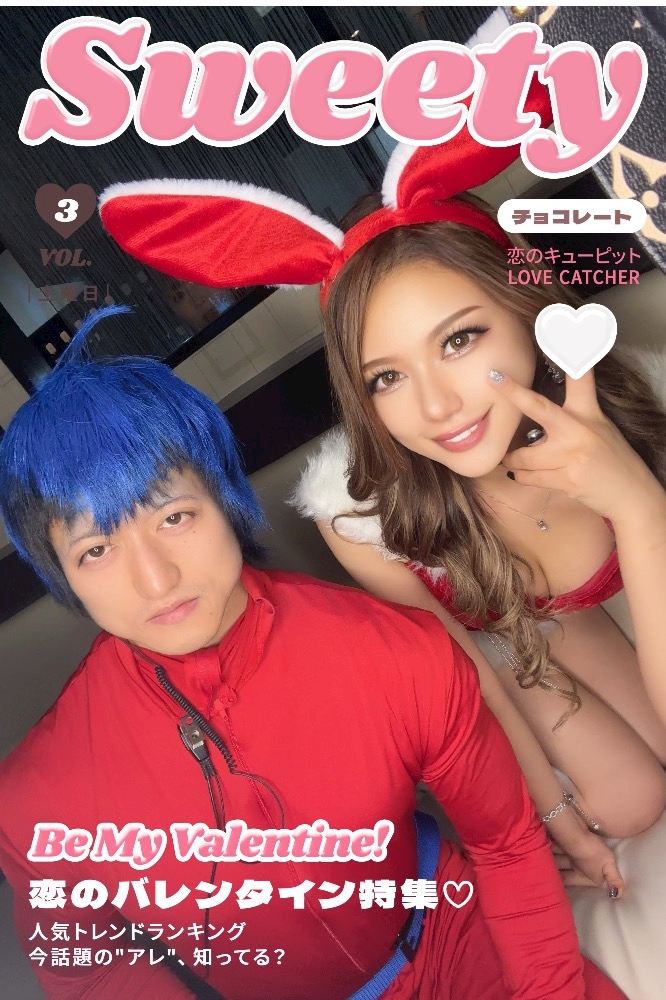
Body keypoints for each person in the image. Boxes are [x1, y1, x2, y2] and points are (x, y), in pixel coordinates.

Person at [96, 80, 666, 898]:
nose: (435, 408)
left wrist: (637, 503)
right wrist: (551, 818)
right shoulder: (364, 515)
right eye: (387, 377)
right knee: (630, 800)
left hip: (569, 622)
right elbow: (463, 681)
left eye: (460, 340)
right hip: (488, 655)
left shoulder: (633, 409)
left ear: (524, 304)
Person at [0, 305, 627, 1000]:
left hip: (452, 934)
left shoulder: (397, 653)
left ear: (226, 501)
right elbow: (92, 970)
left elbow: (505, 842)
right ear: (64, 577)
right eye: (95, 551)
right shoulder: (38, 800)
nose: (156, 580)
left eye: (175, 516)